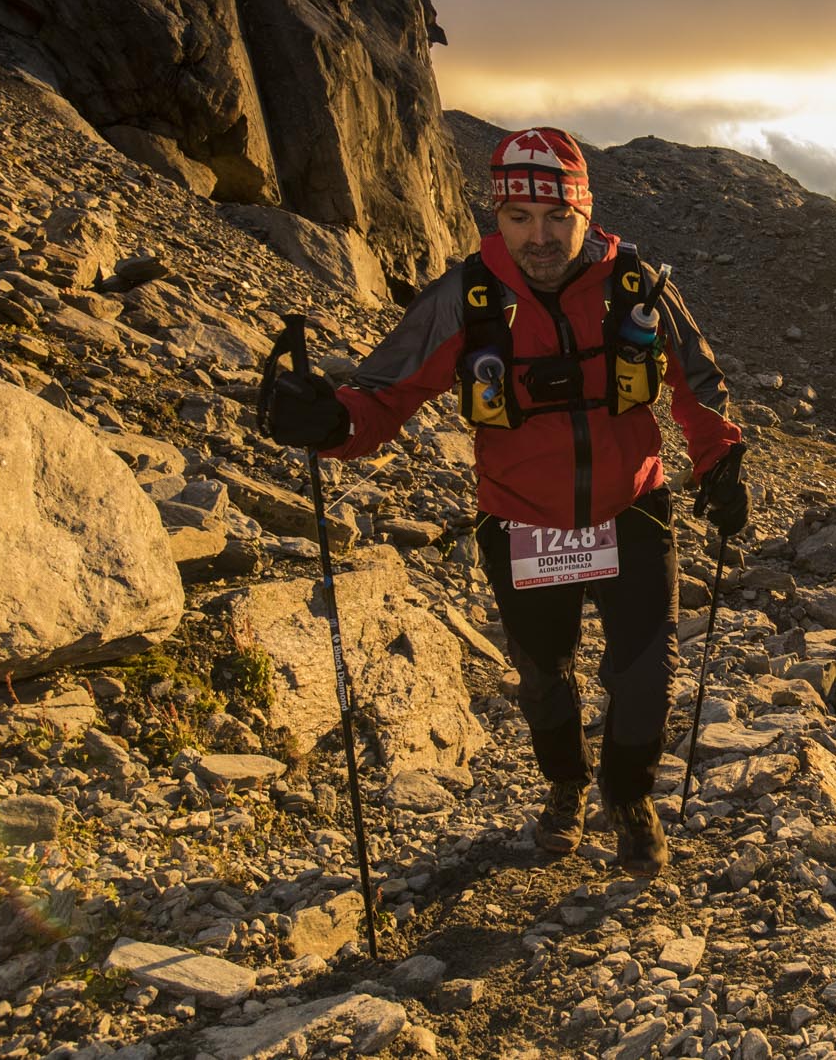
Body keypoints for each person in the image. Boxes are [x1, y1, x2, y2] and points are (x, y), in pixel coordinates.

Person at [263, 126, 748, 875]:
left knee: (646, 672)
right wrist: (331, 422)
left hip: (633, 507)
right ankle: (565, 789)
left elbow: (696, 380)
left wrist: (720, 462)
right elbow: (385, 393)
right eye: (519, 218)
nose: (539, 236)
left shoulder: (633, 283)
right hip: (520, 517)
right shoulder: (467, 296)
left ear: (586, 211)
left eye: (557, 216)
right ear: (498, 215)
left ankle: (629, 798)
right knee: (544, 670)